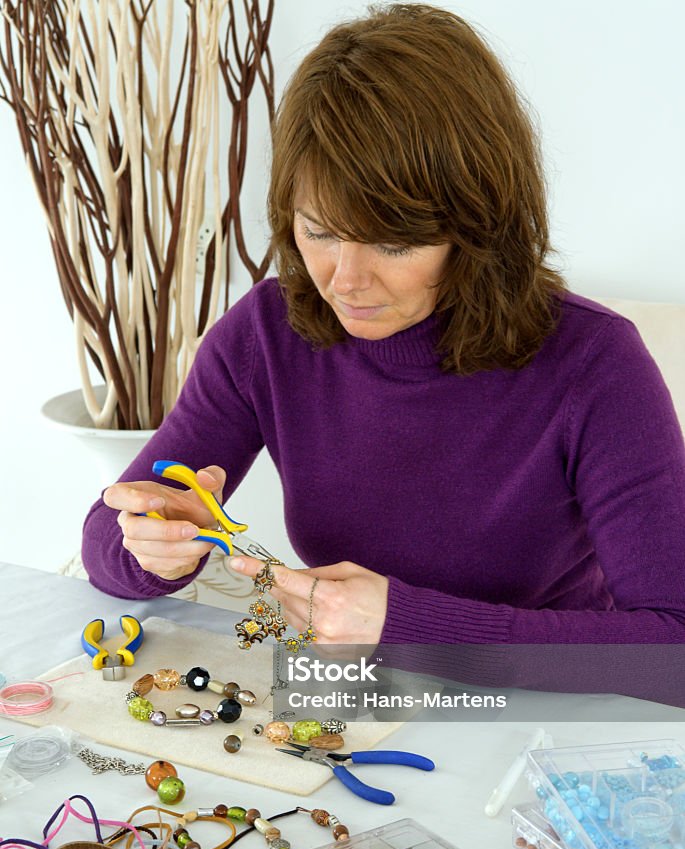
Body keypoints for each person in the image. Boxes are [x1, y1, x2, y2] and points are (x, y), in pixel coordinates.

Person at [82, 4, 685, 703]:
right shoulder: (266, 335)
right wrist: (150, 543)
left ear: (476, 226)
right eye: (319, 232)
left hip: (540, 713)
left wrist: (409, 626)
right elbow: (104, 540)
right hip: (355, 699)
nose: (344, 281)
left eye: (393, 243)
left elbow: (668, 649)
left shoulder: (593, 362)